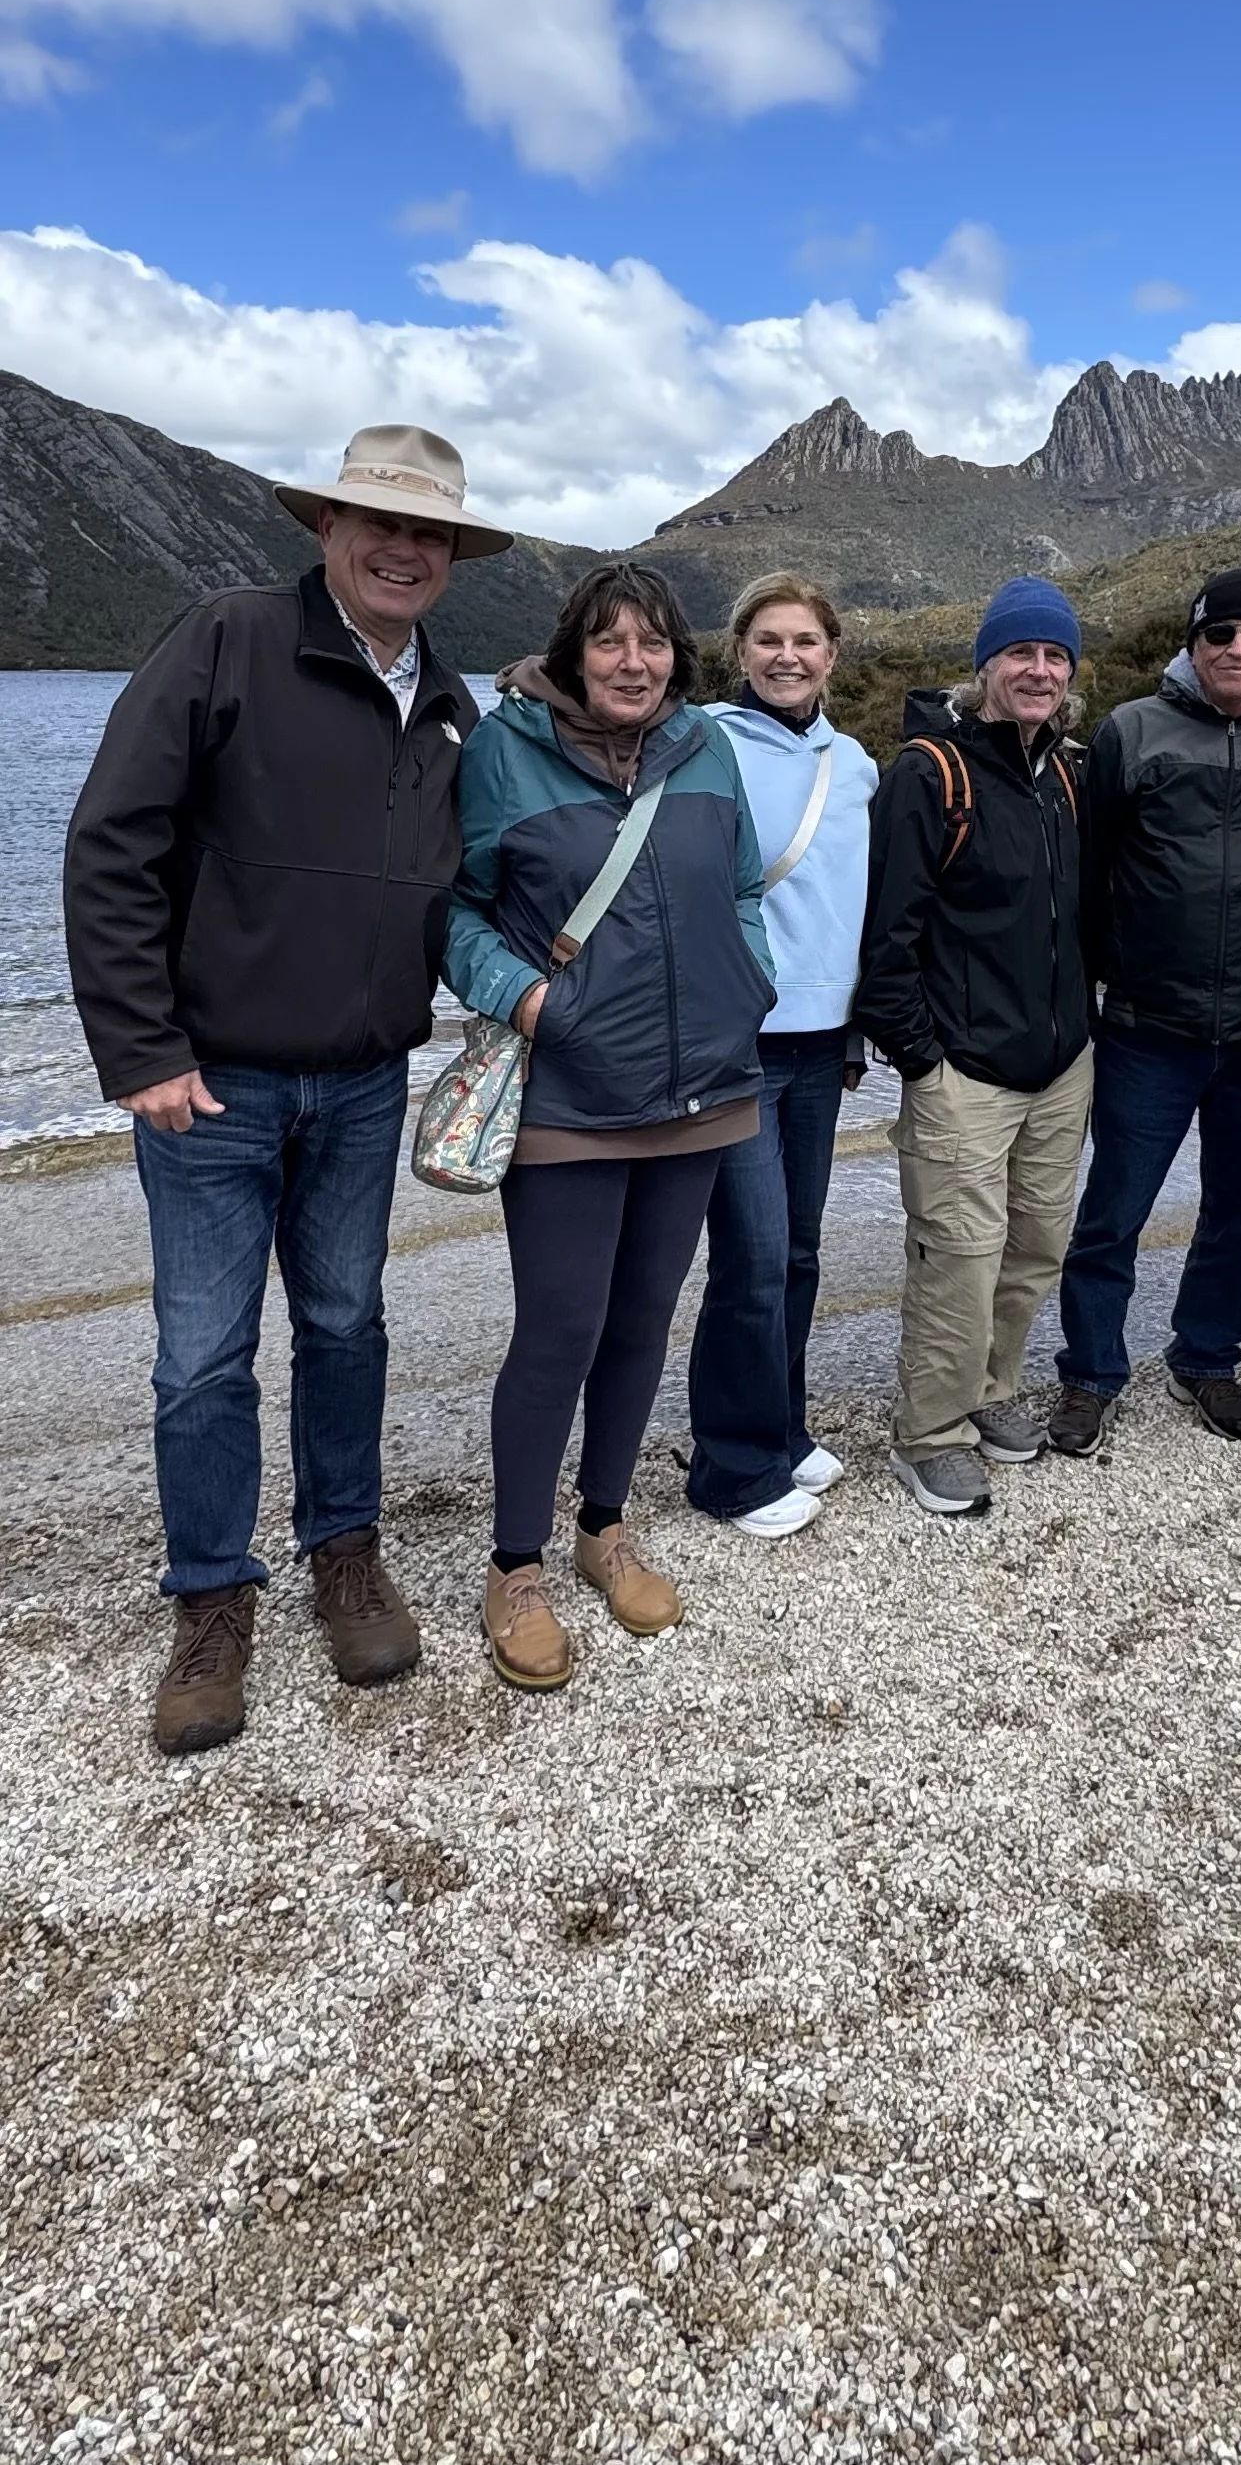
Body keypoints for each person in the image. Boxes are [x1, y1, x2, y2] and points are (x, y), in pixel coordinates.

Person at [63, 423, 509, 1756]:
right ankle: (210, 1601)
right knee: (202, 1357)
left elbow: (473, 865)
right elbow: (112, 843)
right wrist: (139, 1049)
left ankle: (344, 1554)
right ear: (324, 526)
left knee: (347, 1323)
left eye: (429, 531)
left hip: (367, 1081)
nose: (403, 547)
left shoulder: (451, 703)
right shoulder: (227, 638)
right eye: (378, 521)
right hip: (213, 1084)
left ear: (450, 556)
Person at [444, 560, 782, 1690]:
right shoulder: (505, 749)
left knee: (643, 1318)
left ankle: (602, 1526)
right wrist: (531, 1000)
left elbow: (740, 887)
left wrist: (752, 978)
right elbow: (458, 908)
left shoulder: (707, 747)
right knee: (560, 1328)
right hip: (570, 1098)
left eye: (651, 644)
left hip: (702, 1088)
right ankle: (514, 1565)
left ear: (676, 658)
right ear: (573, 653)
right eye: (609, 643)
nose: (631, 663)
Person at [1048, 567, 1241, 1457]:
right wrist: (1084, 997)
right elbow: (1088, 875)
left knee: (1238, 1215)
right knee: (1111, 1215)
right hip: (1143, 1030)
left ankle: (1206, 1356)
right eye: (1220, 635)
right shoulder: (1133, 731)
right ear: (1193, 644)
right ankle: (1091, 1375)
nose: (1238, 649)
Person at [854, 577, 1092, 1521]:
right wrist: (919, 1056)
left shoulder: (1068, 772)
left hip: (1059, 1063)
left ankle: (991, 1393)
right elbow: (888, 940)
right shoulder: (927, 772)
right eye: (1021, 653)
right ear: (986, 665)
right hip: (963, 1070)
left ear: (1070, 673)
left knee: (1035, 1245)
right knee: (958, 1253)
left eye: (1055, 656)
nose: (1038, 670)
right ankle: (930, 1433)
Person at [700, 573, 879, 1509]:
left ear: (831, 654)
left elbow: (848, 903)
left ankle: (782, 1425)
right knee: (753, 1256)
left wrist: (855, 1030)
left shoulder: (855, 764)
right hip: (738, 1043)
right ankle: (731, 1467)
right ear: (741, 651)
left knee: (800, 1251)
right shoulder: (701, 740)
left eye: (805, 640)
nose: (786, 656)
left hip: (822, 1045)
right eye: (768, 639)